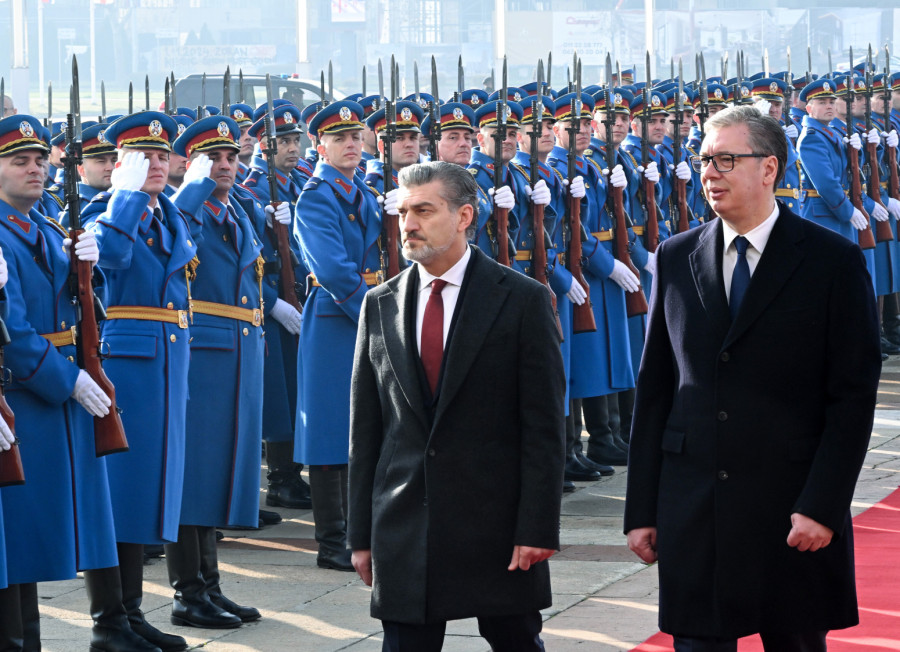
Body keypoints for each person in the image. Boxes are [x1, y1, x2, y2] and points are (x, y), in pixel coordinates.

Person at [624, 105, 882, 651]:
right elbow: (655, 391)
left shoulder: (829, 261)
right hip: (696, 509)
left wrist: (823, 505)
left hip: (789, 509)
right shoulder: (675, 256)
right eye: (704, 160)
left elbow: (852, 396)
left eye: (725, 159)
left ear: (769, 169)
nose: (708, 173)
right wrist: (642, 510)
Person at [348, 161, 565, 652]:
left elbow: (545, 428)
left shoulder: (521, 300)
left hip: (495, 527)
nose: (408, 224)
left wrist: (537, 527)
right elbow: (367, 433)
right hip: (407, 527)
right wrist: (361, 535)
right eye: (403, 212)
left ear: (465, 215)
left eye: (424, 210)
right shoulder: (380, 304)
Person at [0, 114, 127, 651]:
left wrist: (87, 277)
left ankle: (34, 638)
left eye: (38, 160)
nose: (35, 169)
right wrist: (66, 379)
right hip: (24, 392)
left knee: (36, 533)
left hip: (54, 392)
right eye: (18, 162)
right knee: (15, 535)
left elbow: (78, 311)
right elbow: (15, 331)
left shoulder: (49, 229)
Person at [82, 111, 198, 652]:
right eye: (141, 157)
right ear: (119, 164)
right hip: (127, 364)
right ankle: (108, 621)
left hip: (165, 363)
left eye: (160, 155)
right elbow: (114, 259)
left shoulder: (164, 213)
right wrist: (124, 196)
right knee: (118, 492)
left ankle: (130, 611)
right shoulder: (103, 212)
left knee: (147, 492)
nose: (155, 165)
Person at [162, 115, 266, 629]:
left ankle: (210, 585)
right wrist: (195, 185)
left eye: (229, 157)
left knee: (219, 472)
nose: (225, 165)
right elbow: (170, 232)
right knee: (195, 474)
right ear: (187, 164)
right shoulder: (186, 208)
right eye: (211, 158)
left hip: (238, 351)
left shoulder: (235, 208)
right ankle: (186, 594)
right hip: (204, 351)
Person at [293, 100, 380, 572]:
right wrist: (374, 311)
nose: (350, 144)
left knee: (363, 427)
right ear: (319, 145)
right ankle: (332, 541)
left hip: (366, 313)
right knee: (330, 432)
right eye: (339, 138)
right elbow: (331, 268)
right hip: (336, 318)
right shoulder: (317, 196)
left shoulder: (363, 192)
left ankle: (360, 532)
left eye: (355, 137)